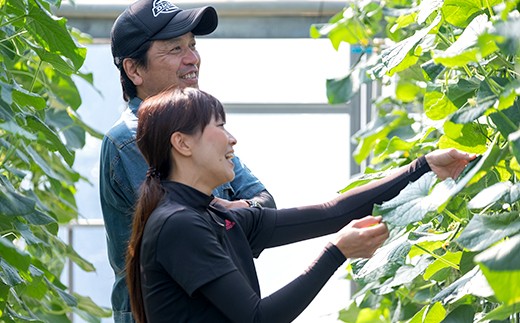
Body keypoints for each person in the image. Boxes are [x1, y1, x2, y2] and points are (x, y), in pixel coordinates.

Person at [126, 87, 476, 323]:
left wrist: (423, 168)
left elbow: (331, 213)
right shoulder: (179, 224)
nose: (232, 138)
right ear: (182, 144)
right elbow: (258, 318)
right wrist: (335, 253)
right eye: (219, 126)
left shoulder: (212, 214)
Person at [99, 0, 276, 321]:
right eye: (174, 49)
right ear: (134, 69)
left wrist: (238, 213)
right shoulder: (132, 139)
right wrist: (241, 213)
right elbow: (195, 230)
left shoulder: (194, 127)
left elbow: (266, 205)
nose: (192, 58)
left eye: (192, 45)